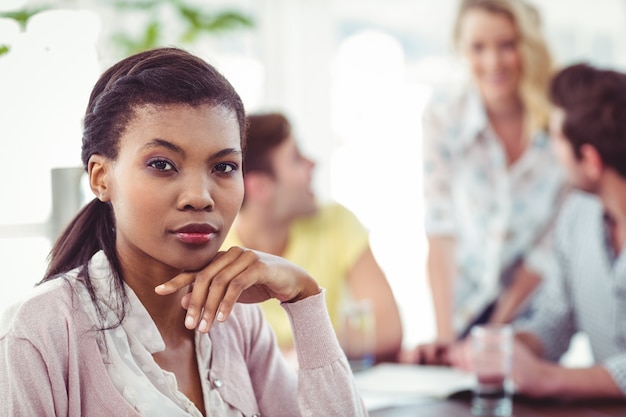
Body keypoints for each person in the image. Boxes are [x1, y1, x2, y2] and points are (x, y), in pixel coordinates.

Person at [0, 47, 367, 416]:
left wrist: (304, 299)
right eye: (162, 164)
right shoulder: (39, 333)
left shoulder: (239, 321)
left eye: (224, 167)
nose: (200, 197)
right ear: (101, 178)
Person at [400, 0, 567, 363]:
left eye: (507, 45)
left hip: (536, 322)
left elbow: (547, 250)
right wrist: (447, 338)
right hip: (463, 314)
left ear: (528, 45)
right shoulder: (445, 116)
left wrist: (495, 334)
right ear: (462, 49)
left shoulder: (559, 125)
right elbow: (440, 227)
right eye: (478, 47)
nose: (493, 62)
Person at [451, 63, 626, 399]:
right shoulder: (576, 216)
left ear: (590, 160)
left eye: (556, 137)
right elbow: (554, 318)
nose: (550, 148)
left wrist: (549, 378)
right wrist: (505, 347)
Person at [220, 112, 403, 364]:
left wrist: (291, 356)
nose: (312, 163)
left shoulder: (336, 221)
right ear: (260, 187)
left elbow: (387, 330)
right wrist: (326, 346)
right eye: (296, 158)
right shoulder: (217, 252)